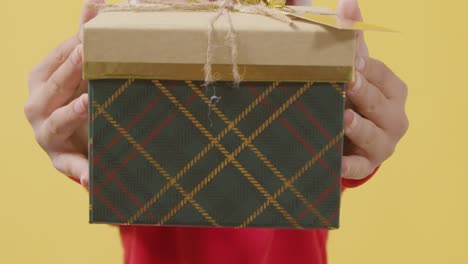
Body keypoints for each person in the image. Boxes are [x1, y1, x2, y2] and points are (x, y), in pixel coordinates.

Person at [24, 0, 408, 263]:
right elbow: (136, 200)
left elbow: (315, 178)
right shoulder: (136, 21)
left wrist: (356, 134)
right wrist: (92, 142)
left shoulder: (303, 25)